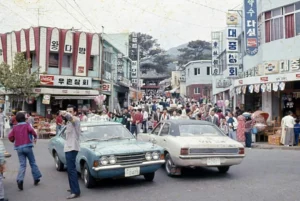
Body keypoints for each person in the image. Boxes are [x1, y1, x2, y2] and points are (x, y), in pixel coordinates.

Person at [8, 112, 42, 191]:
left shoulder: (15, 127)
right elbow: (33, 131)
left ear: (16, 119)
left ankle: (20, 180)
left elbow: (10, 136)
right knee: (32, 162)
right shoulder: (27, 125)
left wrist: (14, 140)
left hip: (19, 148)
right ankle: (36, 178)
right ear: (25, 118)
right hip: (27, 146)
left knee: (22, 165)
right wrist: (35, 137)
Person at [61, 105, 81, 199]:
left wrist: (65, 113)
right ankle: (73, 188)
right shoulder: (68, 122)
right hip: (68, 147)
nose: (68, 112)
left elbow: (70, 118)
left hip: (72, 147)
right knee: (69, 169)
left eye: (70, 111)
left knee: (72, 169)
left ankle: (75, 191)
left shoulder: (76, 120)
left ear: (75, 112)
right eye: (67, 110)